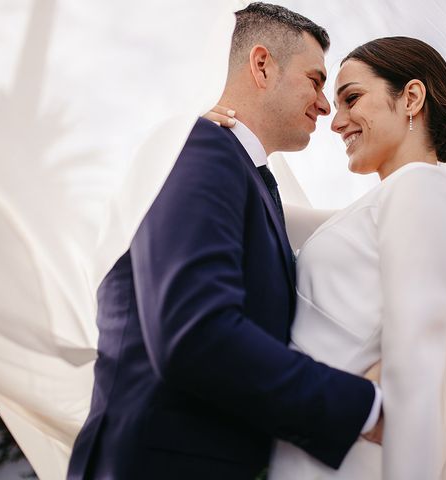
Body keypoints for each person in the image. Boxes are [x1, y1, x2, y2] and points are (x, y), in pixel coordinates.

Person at [67, 3, 384, 479]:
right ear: (262, 65)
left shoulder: (248, 177)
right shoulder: (202, 147)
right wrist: (367, 408)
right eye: (316, 80)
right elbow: (195, 334)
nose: (324, 105)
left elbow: (348, 230)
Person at [210, 35, 446, 479]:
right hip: (316, 454)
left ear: (411, 97)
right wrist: (217, 143)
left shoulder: (422, 190)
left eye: (351, 98)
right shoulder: (379, 208)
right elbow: (264, 214)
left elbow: (414, 375)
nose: (336, 122)